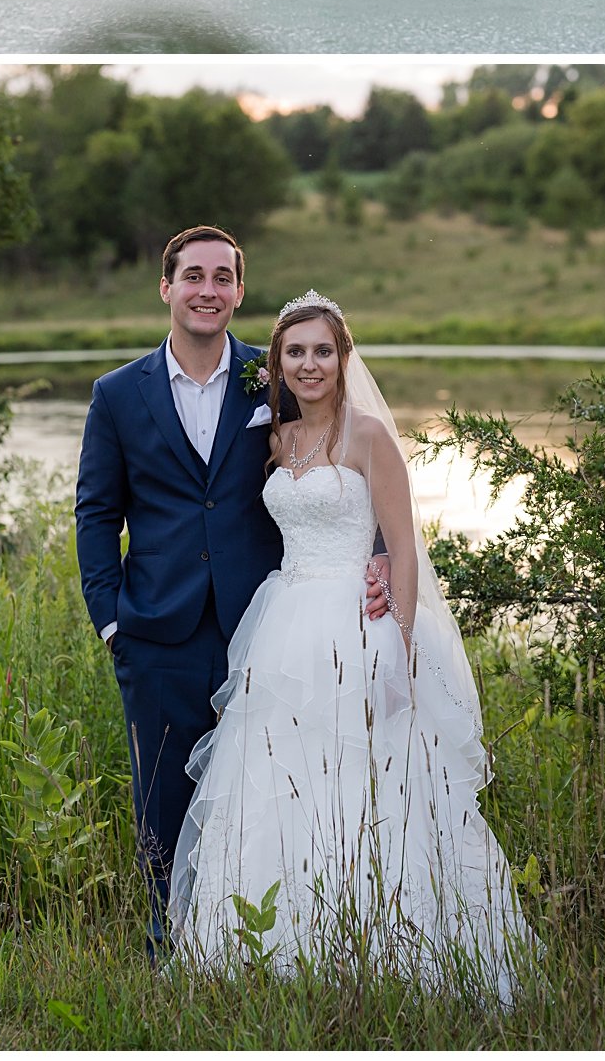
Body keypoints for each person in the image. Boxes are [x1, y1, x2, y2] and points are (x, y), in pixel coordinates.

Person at [168, 290, 537, 998]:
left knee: (377, 785)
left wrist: (397, 647)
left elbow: (401, 547)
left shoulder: (369, 436)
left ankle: (399, 953)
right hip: (283, 628)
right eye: (295, 352)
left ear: (344, 359)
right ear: (277, 362)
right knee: (280, 782)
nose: (310, 365)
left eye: (323, 351)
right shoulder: (274, 438)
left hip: (359, 626)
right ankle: (279, 948)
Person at [75, 228, 391, 959]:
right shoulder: (118, 395)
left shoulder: (273, 375)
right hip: (156, 631)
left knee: (273, 786)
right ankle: (167, 947)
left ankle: (271, 944)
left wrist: (376, 556)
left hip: (267, 626)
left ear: (239, 292)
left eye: (222, 277)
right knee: (161, 797)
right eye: (193, 276)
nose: (207, 289)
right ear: (167, 287)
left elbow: (343, 456)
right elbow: (96, 514)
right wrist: (111, 624)